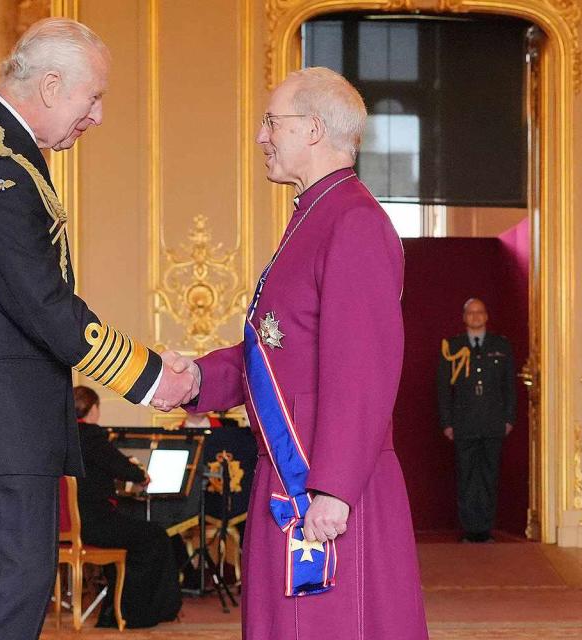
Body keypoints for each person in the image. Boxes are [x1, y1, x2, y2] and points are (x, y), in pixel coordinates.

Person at [0, 17, 196, 640]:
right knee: (7, 597)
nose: (99, 115)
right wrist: (148, 376)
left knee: (7, 596)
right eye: (95, 97)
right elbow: (41, 301)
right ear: (53, 85)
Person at [164, 67, 428, 638]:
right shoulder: (313, 216)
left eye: (271, 123)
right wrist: (196, 381)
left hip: (327, 492)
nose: (262, 136)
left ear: (312, 129)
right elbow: (277, 352)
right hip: (291, 478)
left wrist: (333, 488)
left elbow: (363, 369)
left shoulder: (353, 221)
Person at [73, 386, 181, 628]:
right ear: (93, 409)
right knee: (155, 536)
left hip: (67, 525)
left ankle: (114, 605)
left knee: (138, 533)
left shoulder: (63, 436)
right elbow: (125, 469)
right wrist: (140, 474)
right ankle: (133, 612)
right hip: (94, 524)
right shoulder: (90, 435)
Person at [437, 297, 516, 543]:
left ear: (486, 316)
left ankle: (485, 529)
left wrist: (509, 418)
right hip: (465, 423)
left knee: (489, 476)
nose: (475, 316)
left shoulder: (500, 345)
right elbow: (442, 388)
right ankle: (470, 529)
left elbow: (509, 387)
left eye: (480, 312)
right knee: (467, 477)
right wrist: (447, 422)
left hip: (493, 423)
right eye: (470, 313)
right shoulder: (452, 347)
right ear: (464, 317)